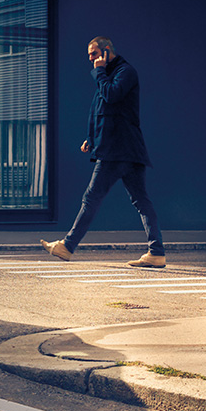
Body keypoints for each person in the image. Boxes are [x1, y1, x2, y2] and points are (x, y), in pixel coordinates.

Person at [42, 37, 168, 268]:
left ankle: (67, 246)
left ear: (107, 51)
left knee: (91, 198)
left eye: (94, 53)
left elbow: (112, 95)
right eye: (89, 55)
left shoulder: (125, 72)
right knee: (141, 201)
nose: (90, 59)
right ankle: (156, 252)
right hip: (122, 149)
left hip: (118, 151)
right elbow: (101, 111)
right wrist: (91, 139)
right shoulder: (108, 75)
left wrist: (99, 72)